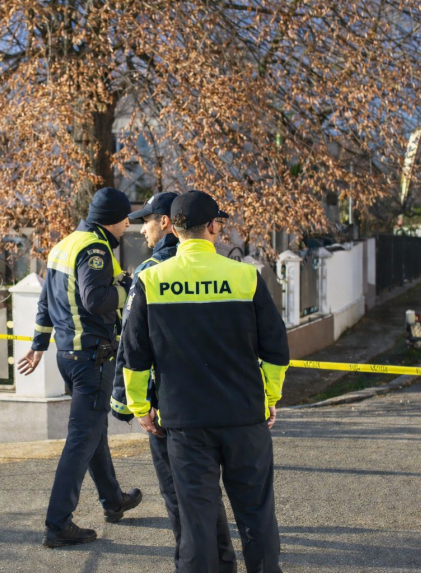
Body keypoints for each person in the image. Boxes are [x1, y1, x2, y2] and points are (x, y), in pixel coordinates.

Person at [121, 190, 290, 573]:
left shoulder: (152, 279)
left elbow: (134, 354)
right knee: (257, 515)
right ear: (213, 227)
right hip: (245, 414)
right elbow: (277, 349)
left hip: (185, 421)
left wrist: (139, 407)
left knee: (196, 522)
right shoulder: (246, 276)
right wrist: (270, 396)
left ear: (174, 228)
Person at [110, 191, 237, 573]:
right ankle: (221, 562)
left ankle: (192, 563)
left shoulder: (153, 270)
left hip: (165, 404)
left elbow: (133, 345)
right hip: (216, 401)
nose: (143, 228)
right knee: (206, 492)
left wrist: (126, 402)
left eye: (147, 220)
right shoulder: (221, 266)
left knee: (179, 494)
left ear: (167, 222)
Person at [17, 187, 143, 549]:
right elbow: (95, 299)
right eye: (125, 221)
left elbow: (44, 302)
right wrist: (127, 287)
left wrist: (38, 345)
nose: (126, 228)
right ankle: (58, 524)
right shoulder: (95, 248)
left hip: (68, 357)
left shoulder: (63, 245)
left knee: (93, 431)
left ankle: (113, 500)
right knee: (81, 439)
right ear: (115, 221)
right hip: (92, 357)